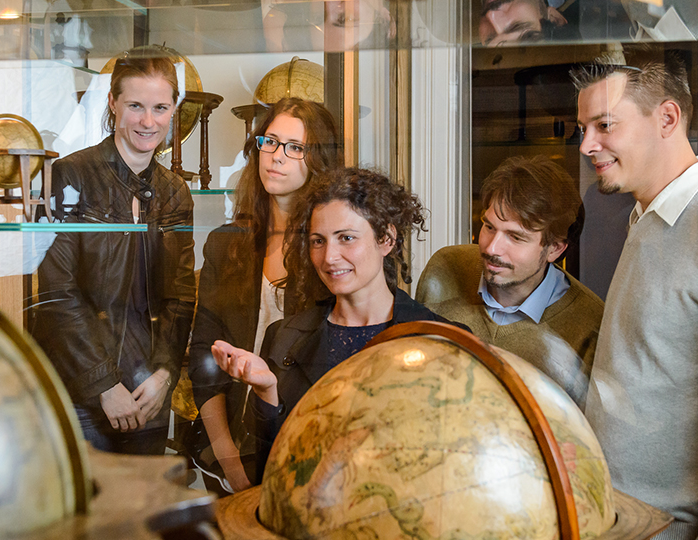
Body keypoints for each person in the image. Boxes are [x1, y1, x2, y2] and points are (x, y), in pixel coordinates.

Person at [210, 168, 469, 482]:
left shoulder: (442, 341)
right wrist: (267, 391)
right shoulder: (282, 337)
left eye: (346, 238)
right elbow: (269, 475)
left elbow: (451, 474)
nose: (329, 257)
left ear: (386, 238)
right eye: (319, 241)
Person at [573, 46, 698, 539]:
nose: (585, 145)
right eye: (583, 129)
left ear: (667, 118)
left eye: (604, 125)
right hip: (615, 521)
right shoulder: (643, 216)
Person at [32, 48, 196, 455]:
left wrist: (164, 374)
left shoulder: (175, 191)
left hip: (149, 393)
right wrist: (104, 385)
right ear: (112, 103)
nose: (148, 121)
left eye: (160, 107)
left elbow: (181, 295)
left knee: (142, 515)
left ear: (173, 110)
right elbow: (57, 293)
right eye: (135, 106)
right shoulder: (71, 174)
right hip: (83, 394)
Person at [187, 98, 341, 494]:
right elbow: (205, 355)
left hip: (309, 450)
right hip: (231, 446)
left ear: (317, 160)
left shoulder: (333, 253)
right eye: (269, 142)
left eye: (295, 147)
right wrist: (228, 458)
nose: (276, 156)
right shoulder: (226, 244)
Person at [416, 155, 603, 409]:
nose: (492, 248)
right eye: (489, 227)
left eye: (515, 237)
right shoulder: (444, 270)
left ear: (554, 249)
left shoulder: (589, 327)